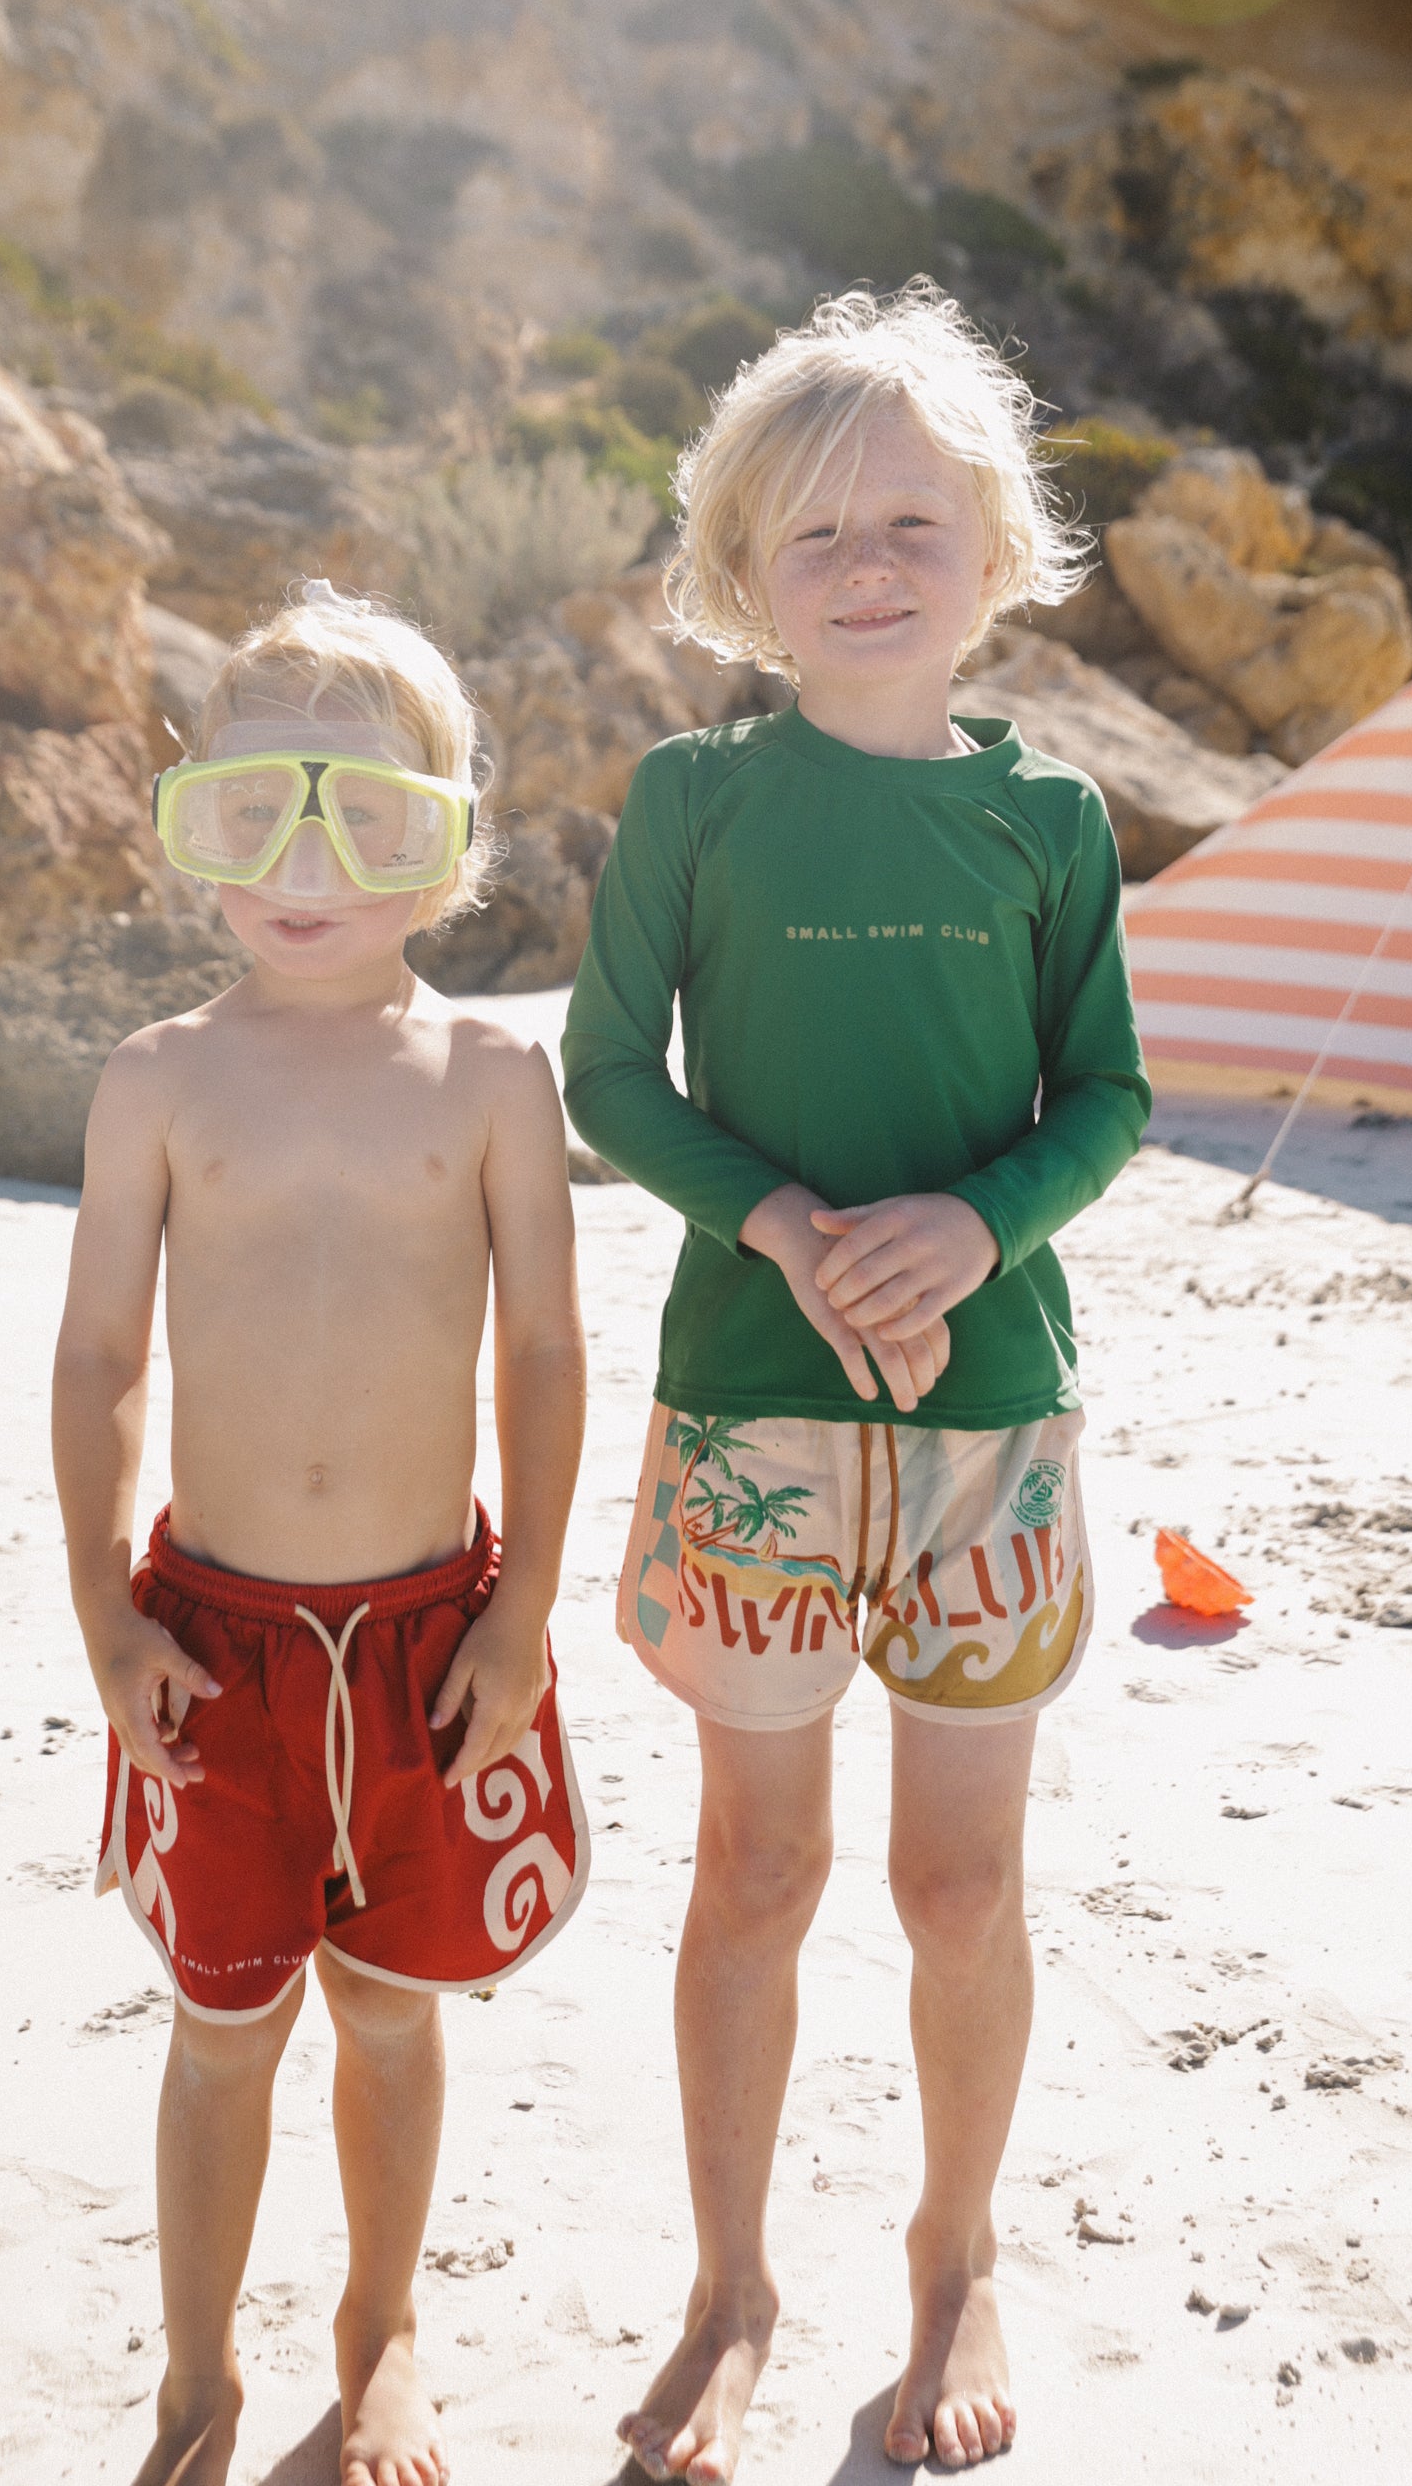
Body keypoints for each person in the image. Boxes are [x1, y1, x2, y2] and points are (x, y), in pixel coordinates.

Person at [563, 285, 1150, 2480]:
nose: (869, 562)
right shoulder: (694, 798)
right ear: (741, 570)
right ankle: (729, 2285)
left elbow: (1103, 1098)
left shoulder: (1055, 820)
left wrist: (981, 1224)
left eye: (912, 519)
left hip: (988, 1416)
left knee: (958, 1892)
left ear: (995, 549)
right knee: (754, 1874)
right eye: (813, 534)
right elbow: (608, 1075)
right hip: (750, 1409)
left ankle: (955, 2248)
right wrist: (788, 1225)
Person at [53, 584, 587, 2486]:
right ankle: (199, 2379)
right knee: (218, 2033)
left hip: (436, 1632)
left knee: (391, 2013)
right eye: (257, 811)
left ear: (445, 853)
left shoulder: (494, 1082)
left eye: (365, 818)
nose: (306, 865)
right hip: (215, 1635)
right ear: (194, 820)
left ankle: (383, 2340)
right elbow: (105, 1352)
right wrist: (109, 1615)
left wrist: (524, 1609)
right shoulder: (158, 1077)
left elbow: (540, 1351)